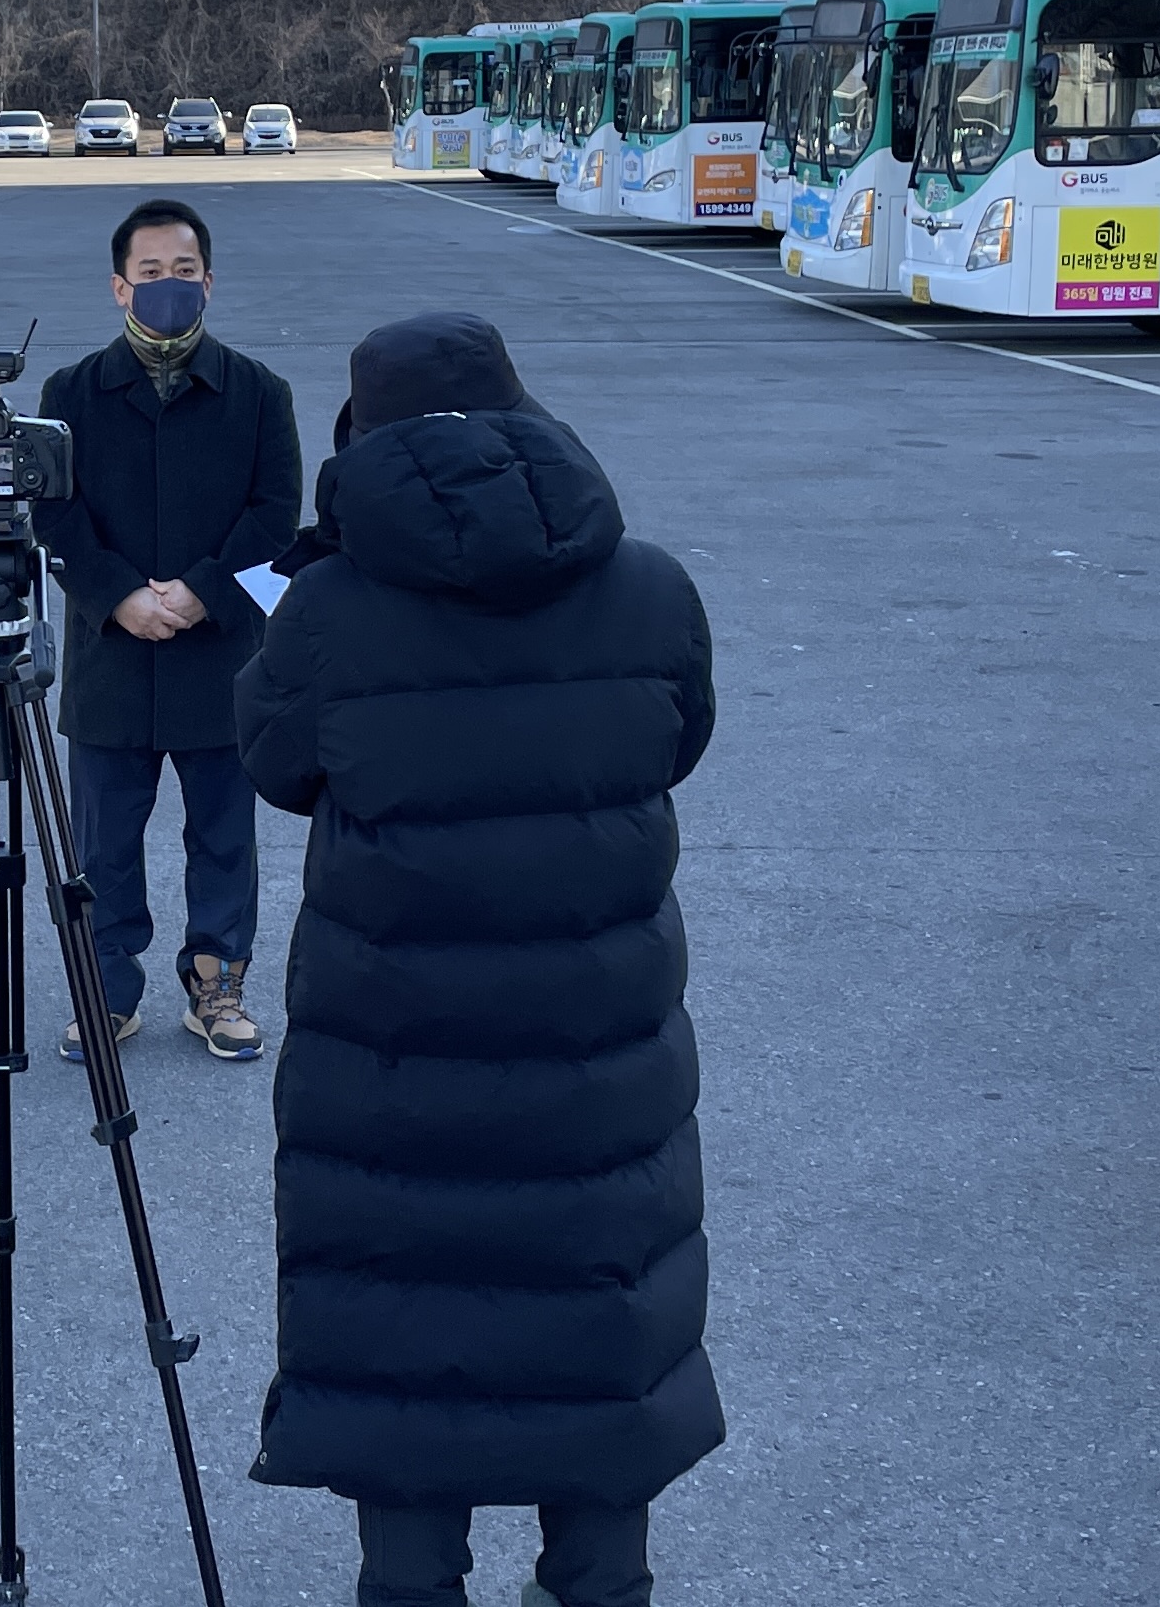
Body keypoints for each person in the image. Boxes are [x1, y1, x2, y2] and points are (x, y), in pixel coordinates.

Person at [234, 315, 722, 1607]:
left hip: (390, 1073)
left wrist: (316, 571)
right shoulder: (652, 588)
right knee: (598, 1381)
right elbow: (676, 742)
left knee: (404, 1386)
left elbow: (274, 759)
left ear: (362, 442)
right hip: (597, 1070)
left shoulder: (330, 608)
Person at [32, 195, 304, 1062]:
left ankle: (217, 986)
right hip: (111, 652)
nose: (168, 286)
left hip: (221, 655)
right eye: (150, 272)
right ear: (120, 286)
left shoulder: (258, 393)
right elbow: (54, 512)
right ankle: (106, 992)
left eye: (183, 271)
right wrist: (117, 595)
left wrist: (200, 593)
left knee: (224, 835)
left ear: (209, 283)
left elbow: (276, 519)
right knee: (104, 841)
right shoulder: (70, 392)